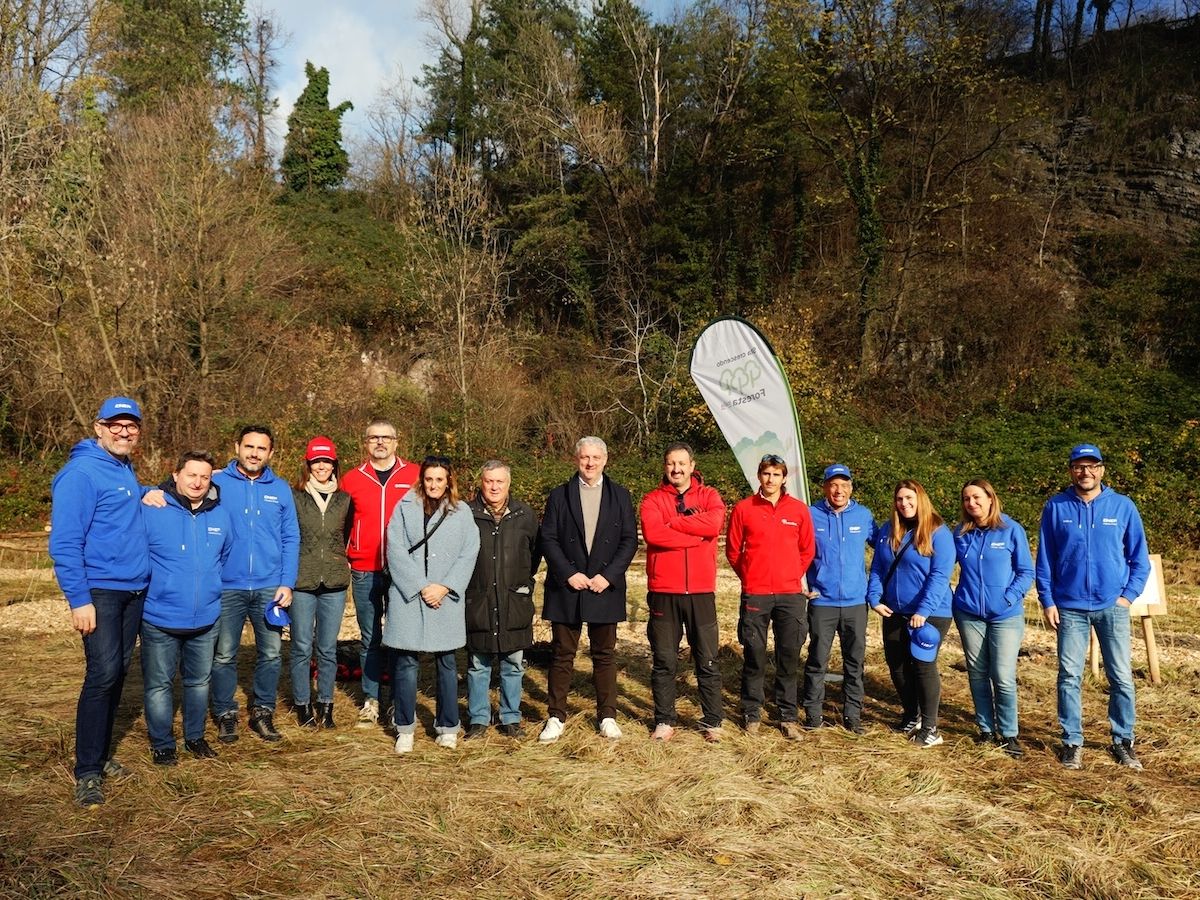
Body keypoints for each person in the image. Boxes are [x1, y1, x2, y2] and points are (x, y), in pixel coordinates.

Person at [50, 396, 151, 807]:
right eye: (116, 424)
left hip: (133, 591)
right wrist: (79, 599)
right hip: (101, 592)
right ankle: (87, 770)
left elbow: (121, 507)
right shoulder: (79, 474)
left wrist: (152, 492)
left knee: (119, 671)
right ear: (98, 427)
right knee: (102, 674)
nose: (124, 431)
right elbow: (65, 542)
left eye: (131, 426)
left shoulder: (123, 468)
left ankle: (103, 753)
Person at [1036, 444, 1151, 771]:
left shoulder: (1123, 506)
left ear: (1101, 469)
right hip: (1069, 607)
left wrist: (1126, 597)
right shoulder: (1056, 507)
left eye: (1092, 466)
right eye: (1078, 466)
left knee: (1121, 677)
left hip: (1112, 607)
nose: (1085, 472)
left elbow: (1139, 560)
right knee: (1069, 676)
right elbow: (1045, 559)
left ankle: (1123, 740)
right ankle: (1072, 741)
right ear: (1071, 470)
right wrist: (1047, 599)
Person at [538, 437, 638, 743]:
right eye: (584, 457)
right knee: (562, 654)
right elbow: (549, 539)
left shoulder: (620, 495)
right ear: (576, 459)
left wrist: (607, 576)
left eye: (595, 457)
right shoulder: (559, 495)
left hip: (603, 587)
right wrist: (568, 574)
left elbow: (629, 540)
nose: (590, 463)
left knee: (604, 655)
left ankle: (607, 715)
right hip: (567, 586)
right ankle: (556, 716)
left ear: (605, 460)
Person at [140, 450, 233, 765]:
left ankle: (195, 737)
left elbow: (225, 555)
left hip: (206, 618)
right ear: (176, 474)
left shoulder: (220, 513)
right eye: (191, 475)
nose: (197, 482)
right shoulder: (152, 508)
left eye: (204, 477)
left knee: (197, 682)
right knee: (159, 685)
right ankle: (163, 743)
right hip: (160, 617)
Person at [383, 456, 480, 753]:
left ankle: (448, 726)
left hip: (444, 599)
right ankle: (405, 728)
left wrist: (445, 587)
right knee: (406, 664)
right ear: (421, 480)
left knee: (447, 664)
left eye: (440, 479)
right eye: (429, 479)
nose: (434, 484)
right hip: (408, 596)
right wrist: (420, 586)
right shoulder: (404, 507)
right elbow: (395, 548)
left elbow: (469, 551)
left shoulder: (462, 512)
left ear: (449, 480)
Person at [210, 425, 300, 743]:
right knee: (223, 654)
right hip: (227, 585)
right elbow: (183, 491)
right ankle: (225, 713)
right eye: (249, 446)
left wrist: (287, 582)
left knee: (272, 654)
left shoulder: (281, 489)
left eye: (261, 449)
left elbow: (291, 538)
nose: (254, 453)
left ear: (270, 453)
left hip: (268, 587)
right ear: (237, 447)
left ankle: (263, 712)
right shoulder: (216, 483)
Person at [639, 442, 726, 743]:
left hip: (701, 591)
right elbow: (653, 534)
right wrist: (696, 536)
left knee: (707, 659)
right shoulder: (652, 500)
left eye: (681, 463)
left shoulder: (710, 495)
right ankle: (664, 720)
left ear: (692, 465)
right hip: (664, 590)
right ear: (665, 467)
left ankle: (713, 720)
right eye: (670, 464)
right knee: (664, 660)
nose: (676, 469)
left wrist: (675, 524)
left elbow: (714, 522)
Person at [726, 454, 816, 740]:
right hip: (757, 593)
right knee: (754, 653)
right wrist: (751, 576)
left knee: (788, 655)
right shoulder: (744, 508)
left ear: (784, 478)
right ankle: (752, 711)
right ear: (759, 476)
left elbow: (807, 550)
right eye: (766, 474)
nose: (771, 480)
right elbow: (732, 550)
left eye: (776, 475)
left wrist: (791, 574)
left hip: (791, 595)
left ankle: (787, 715)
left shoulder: (799, 510)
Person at [340, 419, 420, 728]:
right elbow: (342, 523)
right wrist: (349, 553)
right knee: (370, 636)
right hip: (365, 568)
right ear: (366, 442)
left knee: (401, 637)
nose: (380, 442)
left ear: (396, 442)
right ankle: (371, 700)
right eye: (374, 437)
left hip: (404, 570)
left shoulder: (412, 475)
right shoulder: (352, 479)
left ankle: (399, 700)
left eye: (386, 437)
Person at [868, 480, 955, 748]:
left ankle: (930, 728)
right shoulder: (887, 529)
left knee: (922, 666)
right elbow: (878, 569)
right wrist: (873, 598)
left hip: (930, 613)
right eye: (899, 499)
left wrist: (924, 610)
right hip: (894, 610)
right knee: (897, 666)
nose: (904, 503)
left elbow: (940, 576)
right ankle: (911, 715)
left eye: (909, 498)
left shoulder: (938, 532)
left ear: (920, 499)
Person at [952, 479, 1035, 758]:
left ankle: (1009, 733)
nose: (971, 503)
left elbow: (1026, 572)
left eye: (976, 497)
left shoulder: (1011, 530)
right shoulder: (961, 533)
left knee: (1002, 675)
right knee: (977, 673)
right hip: (969, 613)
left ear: (990, 498)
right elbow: (939, 564)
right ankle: (986, 729)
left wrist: (1008, 598)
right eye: (966, 499)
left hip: (1005, 615)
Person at [463, 460, 541, 740]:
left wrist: (519, 582)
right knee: (477, 664)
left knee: (513, 662)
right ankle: (479, 718)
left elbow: (534, 553)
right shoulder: (466, 513)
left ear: (509, 484)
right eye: (488, 481)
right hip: (478, 597)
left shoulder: (524, 515)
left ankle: (510, 717)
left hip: (513, 599)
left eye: (500, 482)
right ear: (480, 483)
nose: (494, 487)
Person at [801, 464, 875, 734]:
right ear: (824, 487)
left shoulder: (864, 515)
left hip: (856, 602)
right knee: (817, 660)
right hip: (822, 602)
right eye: (833, 484)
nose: (838, 490)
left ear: (851, 488)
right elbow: (795, 550)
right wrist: (801, 583)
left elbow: (886, 547)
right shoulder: (811, 514)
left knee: (854, 662)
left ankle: (852, 716)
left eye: (844, 484)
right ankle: (813, 715)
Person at [290, 436, 352, 729]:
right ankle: (303, 704)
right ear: (308, 464)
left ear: (334, 463)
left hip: (335, 582)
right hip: (303, 581)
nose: (322, 466)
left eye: (327, 461)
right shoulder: (295, 496)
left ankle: (326, 705)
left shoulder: (344, 498)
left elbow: (349, 533)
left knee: (328, 648)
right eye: (317, 461)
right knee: (302, 646)